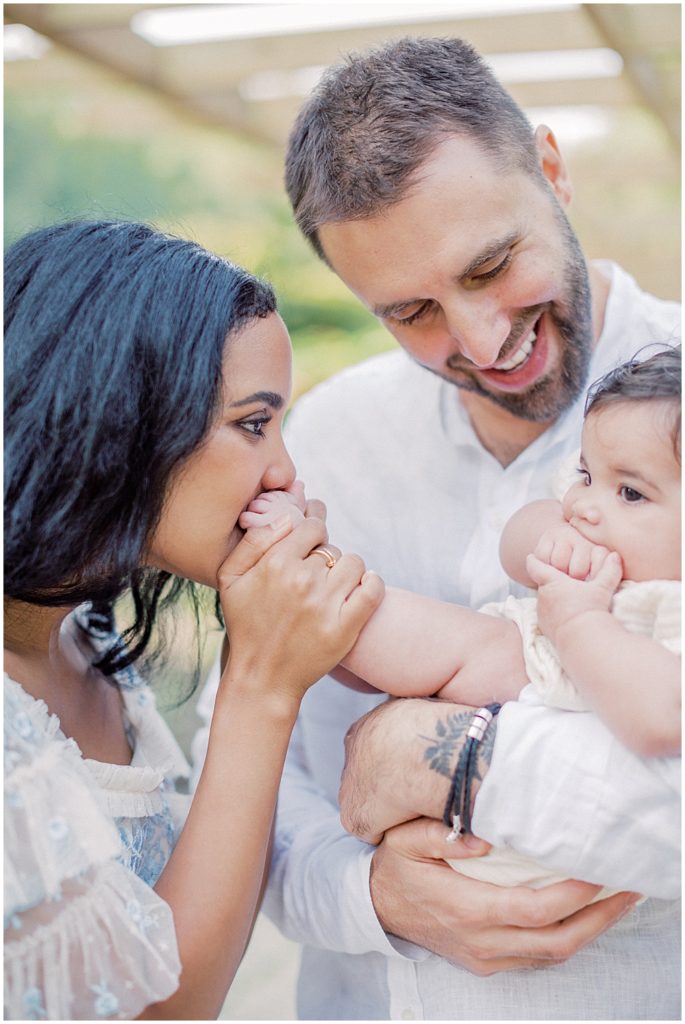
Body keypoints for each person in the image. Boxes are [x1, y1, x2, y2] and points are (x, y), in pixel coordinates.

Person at [261, 36, 681, 1020]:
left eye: (492, 266)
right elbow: (258, 778)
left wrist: (438, 753)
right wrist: (365, 892)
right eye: (412, 312)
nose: (482, 340)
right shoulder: (329, 441)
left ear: (551, 166)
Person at [3, 219, 386, 1020]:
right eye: (253, 424)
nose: (284, 473)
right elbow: (159, 1009)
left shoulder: (83, 637)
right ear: (120, 418)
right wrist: (262, 684)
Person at [242, 348, 681, 895]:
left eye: (631, 494)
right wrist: (550, 540)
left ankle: (314, 583)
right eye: (587, 474)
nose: (586, 506)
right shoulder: (593, 524)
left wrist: (577, 616)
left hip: (563, 777)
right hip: (477, 797)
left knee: (479, 648)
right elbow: (520, 537)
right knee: (453, 642)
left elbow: (659, 720)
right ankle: (323, 604)